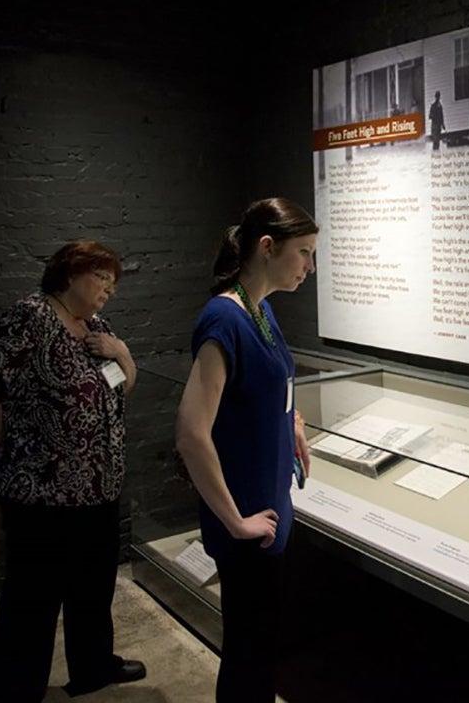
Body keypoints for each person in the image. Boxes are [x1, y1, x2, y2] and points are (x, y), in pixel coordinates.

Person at [0, 240, 142, 702]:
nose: (108, 291)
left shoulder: (96, 328)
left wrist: (121, 353)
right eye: (102, 279)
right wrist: (2, 427)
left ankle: (93, 666)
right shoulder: (31, 317)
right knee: (32, 597)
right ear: (72, 273)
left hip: (98, 486)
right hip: (41, 492)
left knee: (93, 587)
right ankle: (13, 692)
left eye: (113, 284)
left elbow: (121, 389)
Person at [174, 198, 317, 703]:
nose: (309, 267)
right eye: (303, 253)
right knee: (247, 653)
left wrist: (292, 423)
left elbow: (268, 387)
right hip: (246, 516)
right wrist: (236, 521)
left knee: (261, 646)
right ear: (266, 247)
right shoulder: (224, 319)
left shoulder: (262, 311)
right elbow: (192, 433)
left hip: (269, 502)